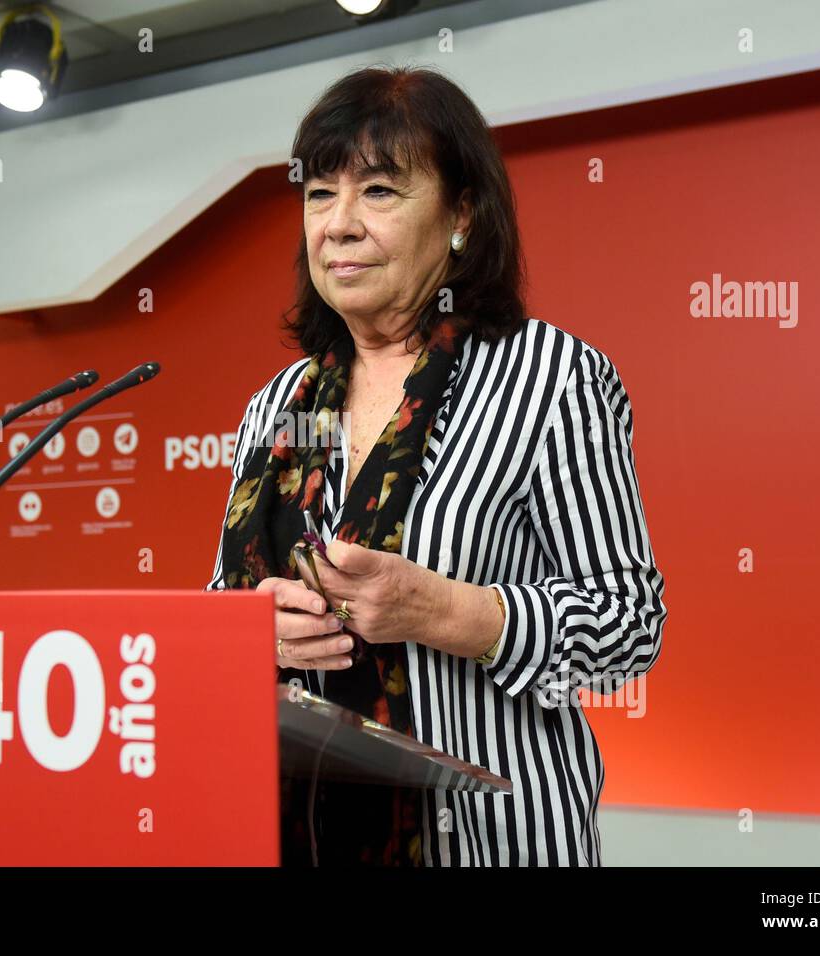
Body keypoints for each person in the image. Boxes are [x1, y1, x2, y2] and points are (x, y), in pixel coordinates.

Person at [206, 64, 667, 866]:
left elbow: (628, 622)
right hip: (294, 835)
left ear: (461, 216)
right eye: (319, 194)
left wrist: (444, 611)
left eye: (378, 192)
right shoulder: (282, 405)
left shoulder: (550, 378)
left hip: (488, 843)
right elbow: (220, 606)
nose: (337, 225)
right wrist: (251, 630)